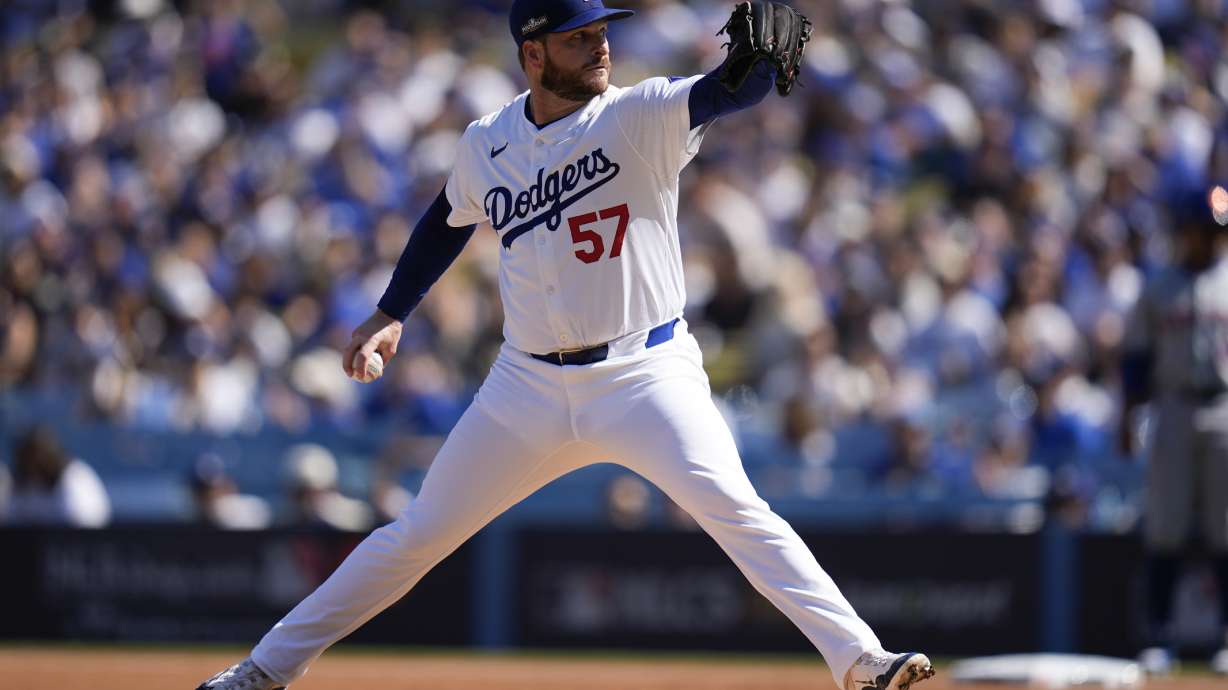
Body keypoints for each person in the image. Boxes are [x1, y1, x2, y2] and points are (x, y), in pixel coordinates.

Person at [198, 2, 934, 688]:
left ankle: (861, 661)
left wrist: (761, 70)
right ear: (533, 53)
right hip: (526, 387)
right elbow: (445, 220)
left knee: (735, 508)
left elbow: (724, 92)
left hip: (646, 373)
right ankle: (264, 671)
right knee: (415, 536)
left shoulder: (639, 115)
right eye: (580, 36)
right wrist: (392, 310)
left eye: (602, 31)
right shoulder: (488, 143)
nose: (600, 44)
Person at [1121, 184, 1228, 675]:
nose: (1205, 239)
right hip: (1173, 407)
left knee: (1224, 527)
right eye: (1199, 230)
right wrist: (1128, 415)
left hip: (1224, 406)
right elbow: (1136, 359)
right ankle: (1158, 635)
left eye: (1211, 231)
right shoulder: (1158, 285)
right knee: (1165, 525)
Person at [4, 425, 111, 528]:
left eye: (35, 457)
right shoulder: (22, 483)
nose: (31, 465)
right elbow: (11, 522)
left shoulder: (74, 479)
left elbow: (80, 531)